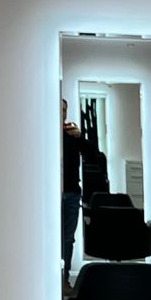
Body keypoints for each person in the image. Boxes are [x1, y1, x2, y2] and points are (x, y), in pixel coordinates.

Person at [61, 98, 85, 286]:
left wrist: (80, 138)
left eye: (64, 110)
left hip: (71, 193)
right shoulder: (42, 133)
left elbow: (96, 158)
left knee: (68, 239)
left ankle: (64, 279)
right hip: (49, 195)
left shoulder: (72, 136)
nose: (61, 113)